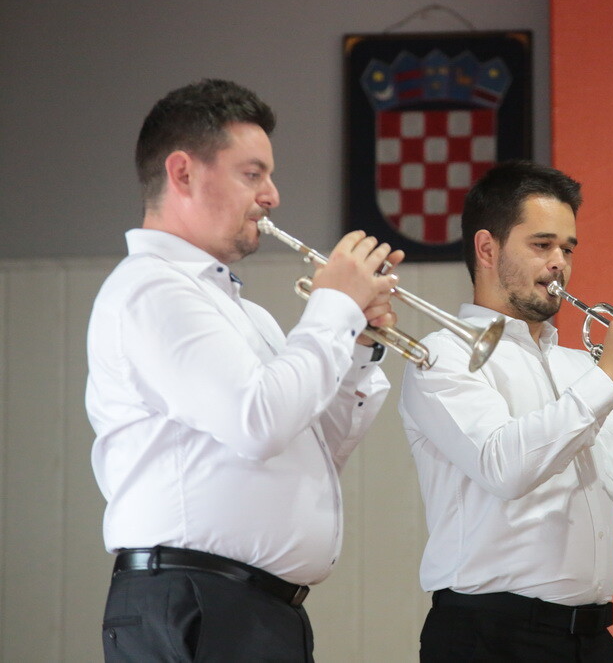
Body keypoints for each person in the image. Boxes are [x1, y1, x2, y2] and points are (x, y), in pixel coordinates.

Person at [86, 78, 402, 662]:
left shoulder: (241, 312)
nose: (272, 196)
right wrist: (333, 307)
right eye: (252, 174)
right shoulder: (153, 289)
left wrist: (357, 343)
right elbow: (258, 422)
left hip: (244, 607)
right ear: (183, 173)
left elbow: (310, 451)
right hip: (198, 601)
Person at [399, 160, 613, 662]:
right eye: (542, 245)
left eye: (567, 249)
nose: (559, 263)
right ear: (487, 249)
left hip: (591, 640)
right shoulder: (443, 354)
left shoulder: (582, 367)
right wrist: (608, 377)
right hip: (489, 637)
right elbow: (504, 467)